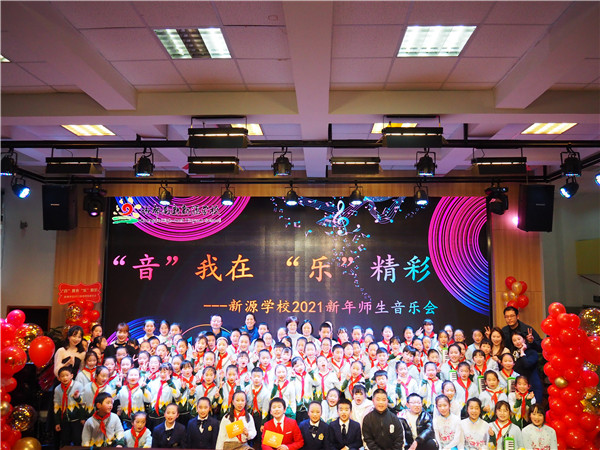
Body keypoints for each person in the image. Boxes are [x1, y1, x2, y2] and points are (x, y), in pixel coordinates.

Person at [53, 366, 84, 446]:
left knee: (77, 440)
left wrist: (82, 418)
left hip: (77, 419)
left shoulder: (78, 385)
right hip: (64, 420)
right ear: (59, 378)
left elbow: (83, 403)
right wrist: (57, 422)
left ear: (71, 376)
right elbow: (56, 406)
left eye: (67, 375)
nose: (65, 378)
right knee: (65, 441)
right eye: (62, 376)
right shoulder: (57, 389)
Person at [512, 332, 543, 404]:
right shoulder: (514, 354)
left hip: (532, 384)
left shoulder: (532, 352)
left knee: (534, 407)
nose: (517, 342)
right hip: (520, 385)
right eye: (514, 340)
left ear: (524, 340)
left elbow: (527, 364)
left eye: (519, 339)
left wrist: (522, 352)